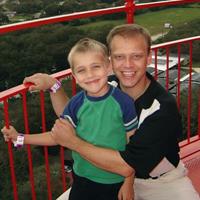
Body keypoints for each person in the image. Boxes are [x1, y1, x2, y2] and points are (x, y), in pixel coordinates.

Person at [24, 24, 199, 200]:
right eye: (119, 57)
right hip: (108, 176)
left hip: (159, 182)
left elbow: (126, 164)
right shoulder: (109, 85)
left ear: (149, 58)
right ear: (110, 62)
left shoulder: (162, 108)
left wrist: (73, 142)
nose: (128, 65)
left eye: (136, 56)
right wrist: (54, 86)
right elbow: (74, 117)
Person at [2, 38, 138, 200]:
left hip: (114, 180)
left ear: (108, 67)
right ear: (74, 76)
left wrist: (129, 181)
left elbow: (134, 147)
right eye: (81, 70)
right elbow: (58, 136)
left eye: (96, 67)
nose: (90, 75)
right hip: (82, 176)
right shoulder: (76, 104)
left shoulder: (124, 103)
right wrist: (19, 138)